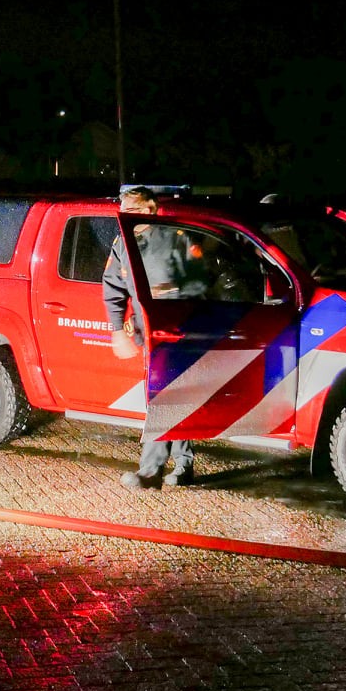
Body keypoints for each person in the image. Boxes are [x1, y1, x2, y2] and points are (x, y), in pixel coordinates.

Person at [102, 186, 197, 489]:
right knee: (172, 397)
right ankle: (183, 465)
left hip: (177, 333)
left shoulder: (175, 238)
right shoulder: (123, 244)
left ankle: (151, 471)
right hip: (149, 336)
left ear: (146, 211)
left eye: (128, 211)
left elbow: (199, 282)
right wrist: (118, 328)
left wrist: (176, 308)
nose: (121, 217)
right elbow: (113, 286)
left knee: (165, 398)